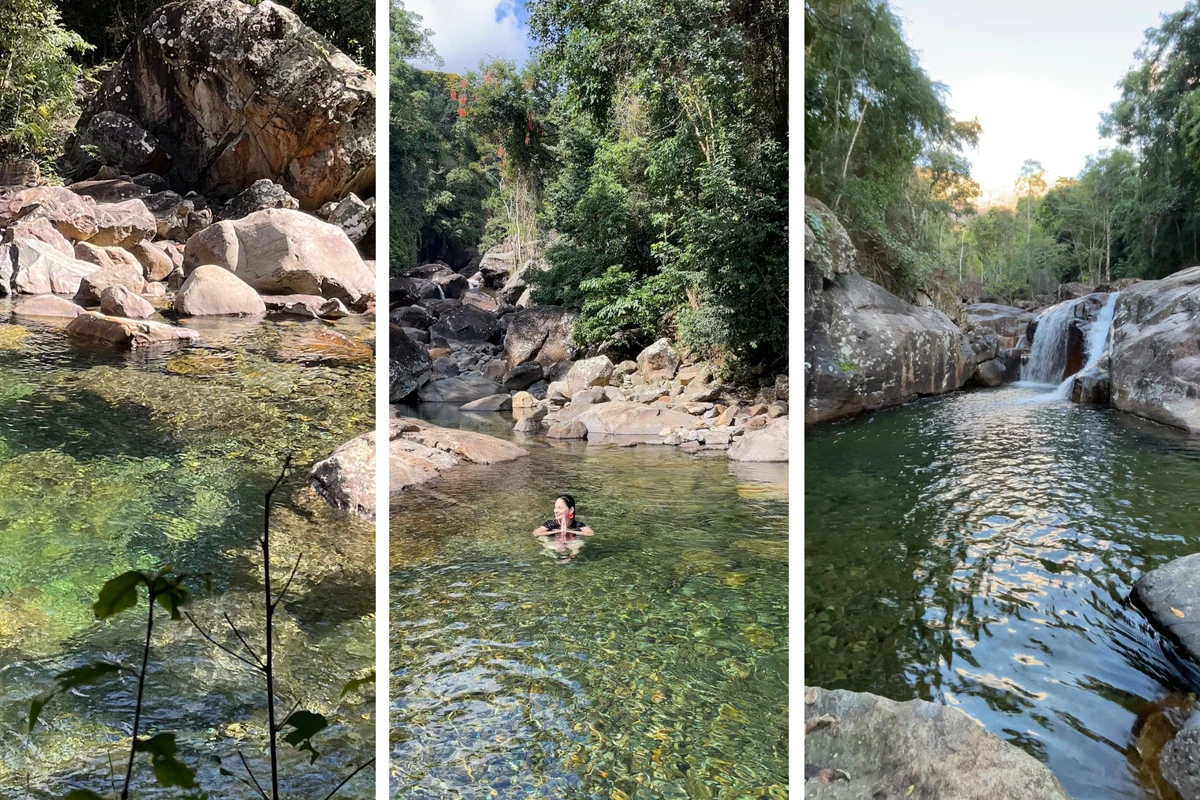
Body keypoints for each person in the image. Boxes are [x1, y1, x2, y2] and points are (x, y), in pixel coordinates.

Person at [532, 494, 594, 561]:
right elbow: (535, 533)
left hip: (570, 543)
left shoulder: (577, 525)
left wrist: (568, 531)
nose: (556, 511)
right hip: (554, 544)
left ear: (571, 510)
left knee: (577, 542)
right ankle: (552, 556)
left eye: (560, 508)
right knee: (544, 539)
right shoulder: (550, 524)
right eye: (555, 507)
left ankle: (571, 556)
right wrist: (557, 531)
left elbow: (591, 533)